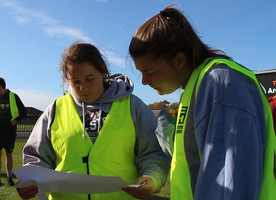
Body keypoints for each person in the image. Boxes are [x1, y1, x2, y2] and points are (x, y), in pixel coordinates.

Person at [128, 5, 276, 200]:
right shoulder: (194, 87)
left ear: (179, 59)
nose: (144, 81)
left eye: (150, 71)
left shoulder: (221, 84)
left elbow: (230, 185)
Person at [16, 41, 170, 200]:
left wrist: (152, 179)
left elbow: (153, 153)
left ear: (103, 70)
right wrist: (32, 180)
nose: (83, 88)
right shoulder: (55, 110)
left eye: (90, 78)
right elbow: (37, 157)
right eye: (75, 81)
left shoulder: (133, 106)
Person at [0, 77, 27, 186]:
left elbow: (24, 111)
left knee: (9, 154)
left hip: (9, 132)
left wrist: (15, 121)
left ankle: (9, 178)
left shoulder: (13, 96)